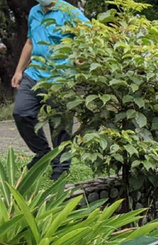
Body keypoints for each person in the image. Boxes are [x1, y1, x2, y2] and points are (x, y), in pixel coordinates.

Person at [12, 0, 88, 179]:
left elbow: (89, 37)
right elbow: (30, 42)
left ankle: (60, 169)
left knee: (59, 125)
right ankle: (43, 154)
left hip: (61, 78)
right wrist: (19, 70)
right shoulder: (34, 12)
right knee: (21, 113)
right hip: (34, 74)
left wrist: (80, 57)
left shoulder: (70, 12)